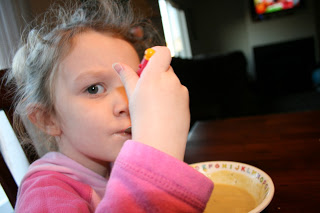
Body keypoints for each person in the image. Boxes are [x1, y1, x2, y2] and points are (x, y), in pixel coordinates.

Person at [6, 0, 213, 212]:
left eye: (131, 83)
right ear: (47, 119)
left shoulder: (114, 160)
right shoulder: (45, 193)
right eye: (94, 89)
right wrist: (154, 165)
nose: (128, 103)